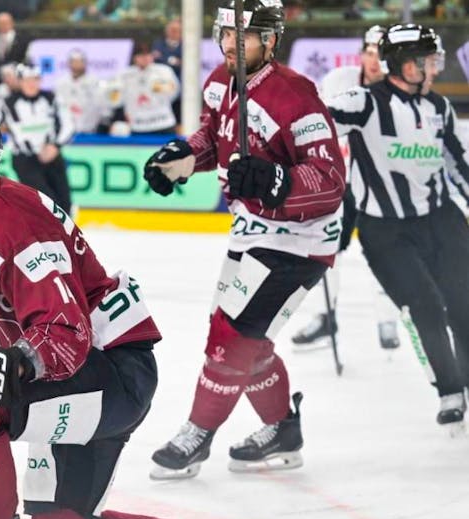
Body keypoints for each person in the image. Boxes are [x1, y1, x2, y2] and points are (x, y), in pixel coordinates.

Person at [0, 102, 251, 519]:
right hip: (79, 374)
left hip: (112, 374)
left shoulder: (11, 221)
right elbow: (17, 330)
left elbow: (64, 336)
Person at [143, 0, 346, 480]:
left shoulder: (297, 95)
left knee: (230, 338)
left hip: (299, 240)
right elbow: (214, 137)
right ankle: (282, 430)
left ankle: (196, 434)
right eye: (226, 34)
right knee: (246, 339)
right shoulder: (219, 82)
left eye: (245, 36)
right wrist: (181, 158)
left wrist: (278, 182)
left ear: (271, 41)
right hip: (252, 232)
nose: (231, 44)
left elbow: (329, 178)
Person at [325, 24, 469, 431]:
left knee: (463, 304)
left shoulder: (438, 107)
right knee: (425, 305)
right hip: (386, 231)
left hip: (442, 221)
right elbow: (311, 126)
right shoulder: (364, 102)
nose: (434, 68)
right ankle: (449, 389)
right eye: (428, 61)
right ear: (404, 64)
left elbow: (456, 164)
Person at [290, 25, 400, 351]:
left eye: (381, 54)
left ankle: (388, 318)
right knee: (327, 250)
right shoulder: (340, 80)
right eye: (369, 52)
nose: (374, 60)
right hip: (340, 183)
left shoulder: (399, 93)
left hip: (381, 186)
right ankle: (326, 317)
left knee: (386, 253)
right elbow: (315, 120)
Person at [0, 64, 74, 213]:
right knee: (47, 203)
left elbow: (68, 124)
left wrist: (55, 146)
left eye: (35, 79)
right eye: (27, 79)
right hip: (25, 159)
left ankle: (64, 235)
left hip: (52, 156)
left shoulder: (51, 99)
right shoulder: (7, 103)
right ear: (19, 81)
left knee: (65, 204)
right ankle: (47, 235)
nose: (31, 84)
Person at [110, 42, 179, 136]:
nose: (145, 58)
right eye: (141, 55)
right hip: (138, 126)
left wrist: (161, 88)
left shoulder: (163, 71)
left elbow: (173, 93)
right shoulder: (124, 75)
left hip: (163, 123)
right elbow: (116, 100)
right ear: (134, 57)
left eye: (148, 54)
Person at [54, 49, 108, 134]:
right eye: (74, 62)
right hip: (66, 130)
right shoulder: (61, 83)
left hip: (90, 130)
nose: (76, 65)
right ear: (69, 64)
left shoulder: (94, 82)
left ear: (84, 63)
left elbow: (103, 107)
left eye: (79, 62)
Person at [152, 17, 183, 124]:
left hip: (180, 89)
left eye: (176, 30)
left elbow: (185, 64)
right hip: (161, 88)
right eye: (171, 30)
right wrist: (173, 60)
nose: (173, 33)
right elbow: (156, 60)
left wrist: (166, 58)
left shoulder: (187, 46)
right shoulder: (158, 44)